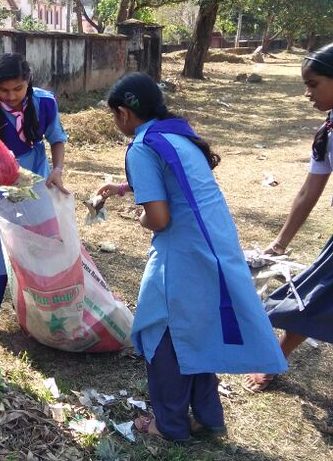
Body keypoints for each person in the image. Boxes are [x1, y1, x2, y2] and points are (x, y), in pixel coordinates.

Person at [95, 72, 287, 441]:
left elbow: (160, 219)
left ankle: (169, 424)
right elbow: (175, 180)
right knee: (195, 329)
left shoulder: (140, 146)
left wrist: (141, 217)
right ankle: (208, 417)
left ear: (122, 114)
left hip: (182, 252)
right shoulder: (176, 133)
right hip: (215, 244)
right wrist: (123, 188)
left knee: (161, 331)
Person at [244, 43, 333, 392]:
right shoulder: (327, 132)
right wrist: (280, 243)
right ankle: (275, 359)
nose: (307, 93)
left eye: (314, 84)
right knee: (311, 297)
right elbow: (309, 190)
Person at [0, 53, 68, 345]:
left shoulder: (46, 102)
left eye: (18, 89)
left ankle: (36, 312)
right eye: (4, 91)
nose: (11, 96)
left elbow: (57, 137)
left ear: (29, 83)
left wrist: (58, 170)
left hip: (36, 175)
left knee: (40, 239)